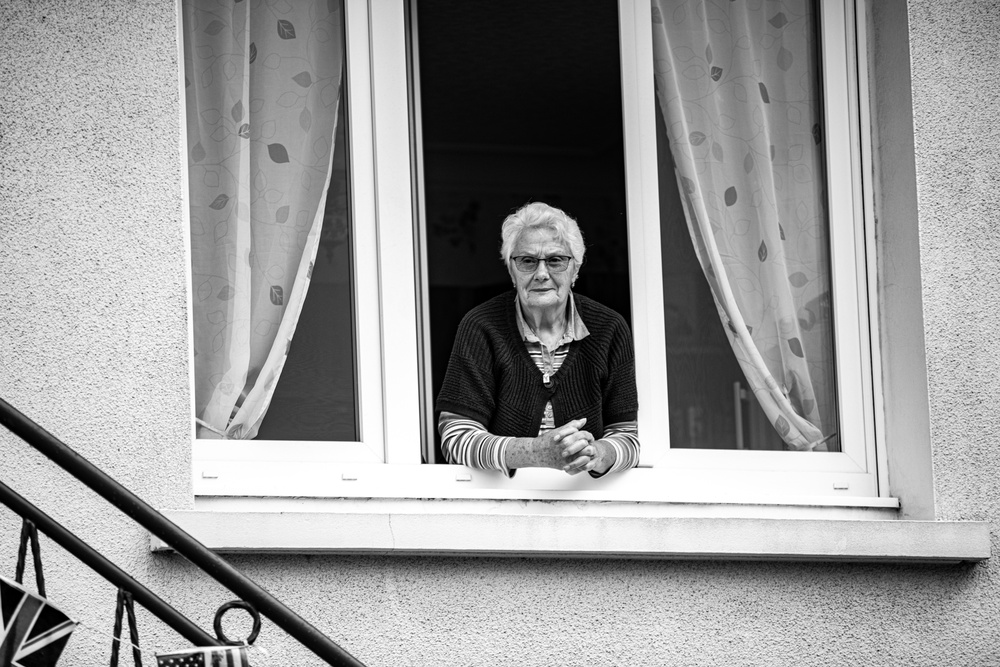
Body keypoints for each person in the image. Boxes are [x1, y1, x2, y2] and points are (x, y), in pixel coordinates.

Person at [436, 202, 639, 477]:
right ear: (512, 271)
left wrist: (597, 453)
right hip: (502, 504)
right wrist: (535, 453)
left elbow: (628, 437)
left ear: (575, 270)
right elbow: (456, 438)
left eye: (555, 260)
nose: (542, 274)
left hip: (585, 501)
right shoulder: (481, 326)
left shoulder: (609, 329)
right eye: (528, 261)